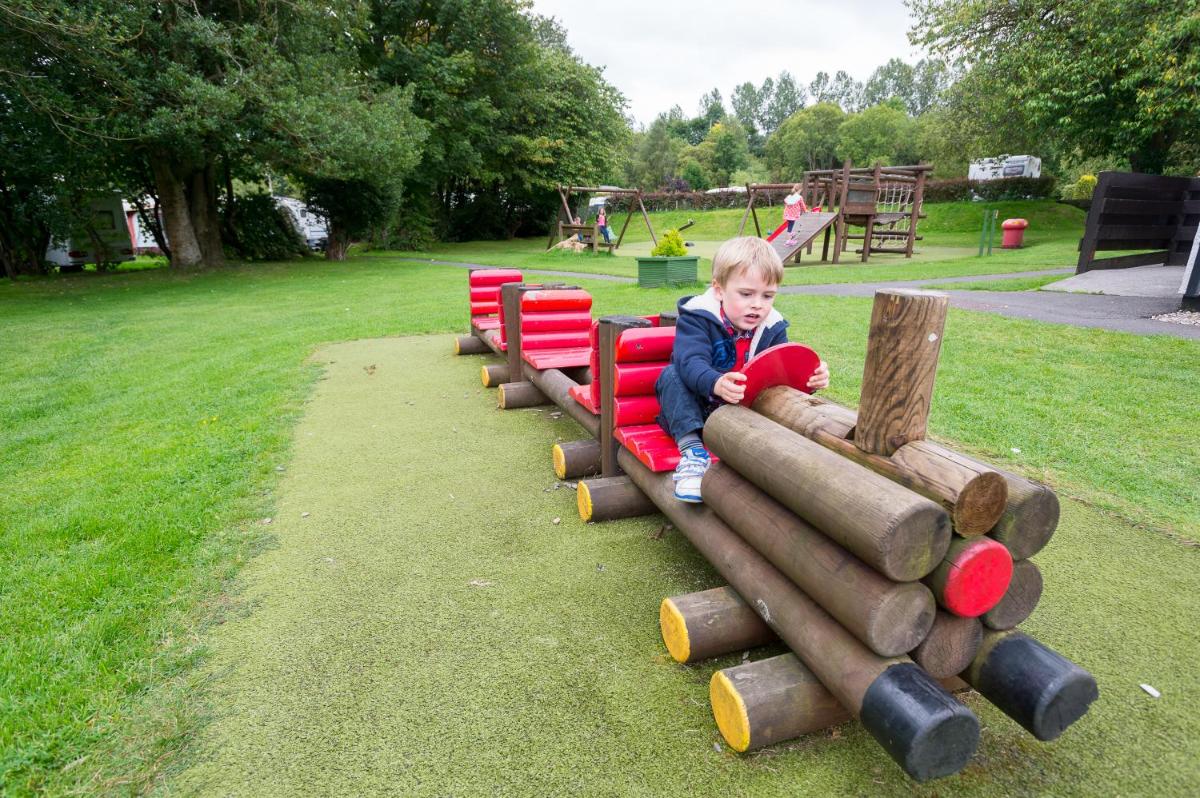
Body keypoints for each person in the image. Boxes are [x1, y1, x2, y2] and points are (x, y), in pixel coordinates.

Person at [654, 237, 829, 503]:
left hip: (743, 415)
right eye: (746, 294)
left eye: (767, 295)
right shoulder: (698, 318)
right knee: (672, 375)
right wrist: (715, 382)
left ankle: (769, 464)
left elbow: (781, 373)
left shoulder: (773, 326)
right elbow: (690, 362)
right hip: (697, 410)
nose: (758, 304)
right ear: (719, 290)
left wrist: (810, 378)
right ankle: (693, 454)